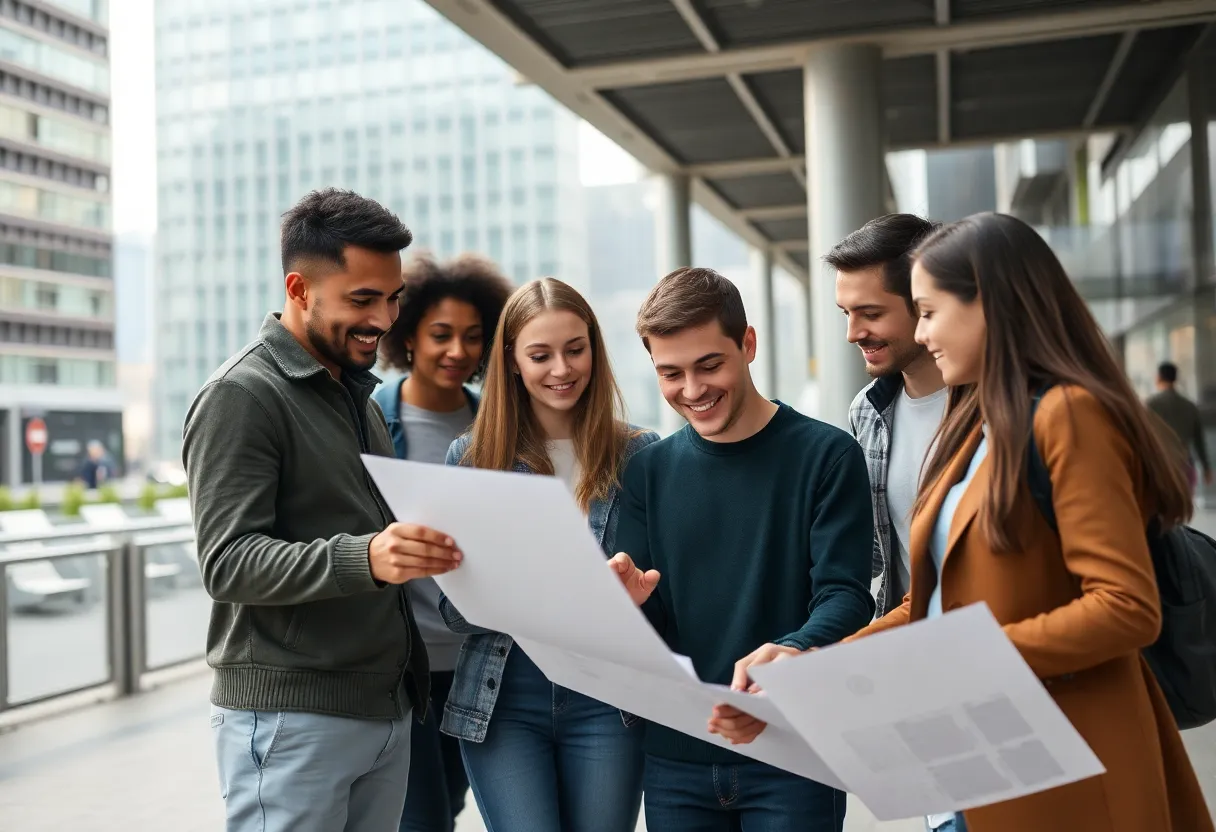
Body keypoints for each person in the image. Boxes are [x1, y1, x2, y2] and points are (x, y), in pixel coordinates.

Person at [717, 213, 1215, 832]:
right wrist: (812, 668)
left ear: (989, 306)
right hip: (976, 765)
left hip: (1068, 771)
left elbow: (1125, 606)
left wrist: (958, 657)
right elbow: (929, 603)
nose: (922, 335)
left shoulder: (1067, 415)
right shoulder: (973, 426)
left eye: (928, 311)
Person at [183, 188, 464, 832]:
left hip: (383, 711)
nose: (384, 318)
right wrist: (368, 556)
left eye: (392, 298)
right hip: (291, 722)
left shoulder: (355, 396)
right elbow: (229, 563)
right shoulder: (241, 396)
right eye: (362, 299)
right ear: (300, 288)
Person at [608, 267, 875, 831]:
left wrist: (791, 653)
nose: (693, 390)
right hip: (676, 759)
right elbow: (652, 624)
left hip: (795, 752)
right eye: (670, 373)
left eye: (709, 365)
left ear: (748, 344)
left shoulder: (827, 456)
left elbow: (846, 596)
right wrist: (622, 607)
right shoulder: (647, 472)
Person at [439, 277, 657, 832]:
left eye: (575, 350)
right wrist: (518, 590)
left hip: (607, 701)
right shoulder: (473, 458)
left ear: (595, 350)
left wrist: (632, 599)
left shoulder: (641, 456)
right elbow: (450, 611)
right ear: (512, 361)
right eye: (540, 355)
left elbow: (663, 591)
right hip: (503, 699)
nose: (561, 369)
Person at [371, 252, 512, 832]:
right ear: (406, 337)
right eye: (441, 335)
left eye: (473, 338)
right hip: (404, 667)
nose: (458, 351)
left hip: (485, 661)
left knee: (451, 805)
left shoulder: (499, 426)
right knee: (421, 818)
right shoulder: (372, 419)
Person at [829, 214, 945, 620]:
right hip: (914, 647)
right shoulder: (868, 411)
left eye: (870, 314)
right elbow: (874, 558)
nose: (852, 332)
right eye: (845, 313)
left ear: (925, 303)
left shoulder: (1003, 407)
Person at [1146, 361, 1211, 492]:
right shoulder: (1190, 406)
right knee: (1184, 509)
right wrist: (1206, 468)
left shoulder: (1150, 405)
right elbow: (1199, 441)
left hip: (1160, 467)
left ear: (1158, 377)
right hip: (1185, 466)